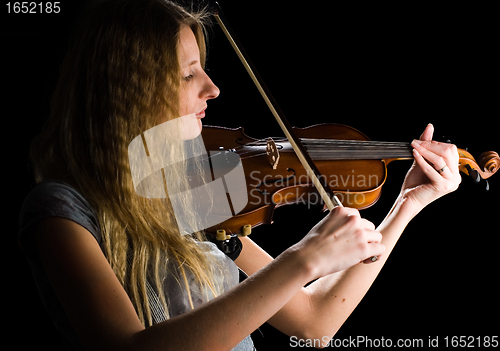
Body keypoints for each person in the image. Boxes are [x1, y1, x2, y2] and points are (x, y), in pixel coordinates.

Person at [18, 0, 462, 350]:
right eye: (189, 74)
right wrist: (301, 260)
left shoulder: (188, 189)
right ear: (128, 91)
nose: (212, 88)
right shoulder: (61, 211)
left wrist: (407, 203)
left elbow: (314, 321)